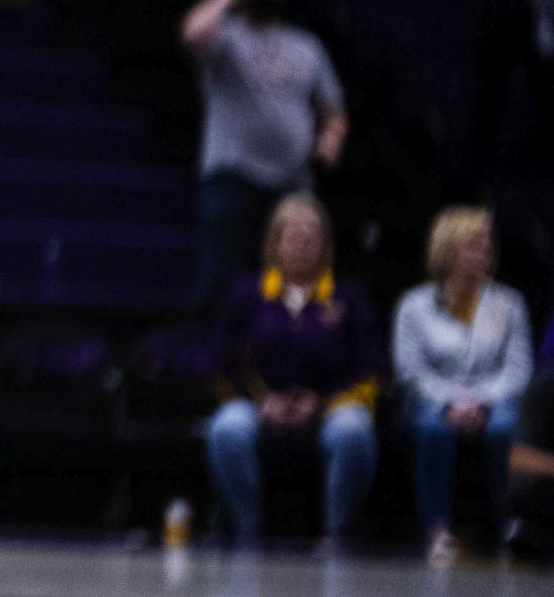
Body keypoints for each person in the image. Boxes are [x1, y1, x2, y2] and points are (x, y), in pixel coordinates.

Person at [206, 194, 379, 545]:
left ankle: (337, 533)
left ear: (325, 245)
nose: (302, 246)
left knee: (353, 431)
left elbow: (367, 368)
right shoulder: (246, 295)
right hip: (260, 404)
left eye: (311, 238)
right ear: (274, 243)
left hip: (329, 406)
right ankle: (246, 529)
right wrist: (262, 401)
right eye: (293, 238)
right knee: (227, 429)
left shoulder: (349, 297)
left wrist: (321, 402)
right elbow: (222, 362)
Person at [182, 0, 347, 309]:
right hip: (232, 177)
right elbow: (193, 34)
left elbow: (333, 110)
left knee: (290, 284)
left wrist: (329, 142)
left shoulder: (307, 46)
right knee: (221, 281)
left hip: (292, 183)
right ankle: (216, 358)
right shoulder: (225, 39)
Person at [394, 207, 532, 562]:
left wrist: (480, 402)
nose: (482, 254)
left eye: (486, 246)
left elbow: (517, 370)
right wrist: (450, 403)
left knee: (504, 428)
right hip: (434, 396)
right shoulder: (414, 305)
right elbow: (410, 370)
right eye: (472, 245)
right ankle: (437, 528)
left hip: (492, 396)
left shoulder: (510, 303)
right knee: (431, 428)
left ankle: (509, 524)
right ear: (446, 250)